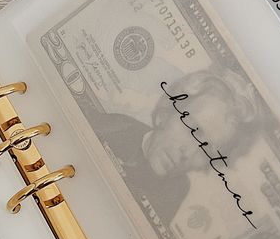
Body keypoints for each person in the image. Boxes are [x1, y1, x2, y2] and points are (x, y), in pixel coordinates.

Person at [92, 66, 261, 225]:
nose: (188, 152)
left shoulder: (172, 196)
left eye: (206, 151)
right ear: (167, 112)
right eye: (193, 130)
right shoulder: (113, 127)